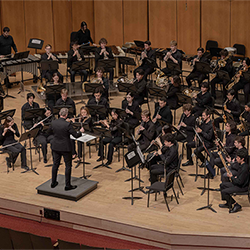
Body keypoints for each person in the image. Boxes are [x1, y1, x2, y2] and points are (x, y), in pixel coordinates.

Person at [47, 108, 84, 190]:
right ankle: (67, 185)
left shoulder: (53, 122)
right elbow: (76, 135)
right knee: (68, 166)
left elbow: (48, 132)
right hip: (65, 148)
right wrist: (80, 131)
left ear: (59, 113)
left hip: (56, 146)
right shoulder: (67, 124)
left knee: (55, 164)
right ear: (66, 115)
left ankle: (53, 183)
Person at [219, 148, 249, 213]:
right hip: (239, 183)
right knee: (222, 185)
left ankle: (236, 205)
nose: (236, 159)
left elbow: (239, 183)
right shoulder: (241, 165)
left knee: (224, 191)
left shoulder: (245, 168)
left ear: (242, 159)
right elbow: (240, 178)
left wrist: (232, 177)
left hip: (242, 187)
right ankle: (228, 203)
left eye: (238, 158)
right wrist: (235, 177)